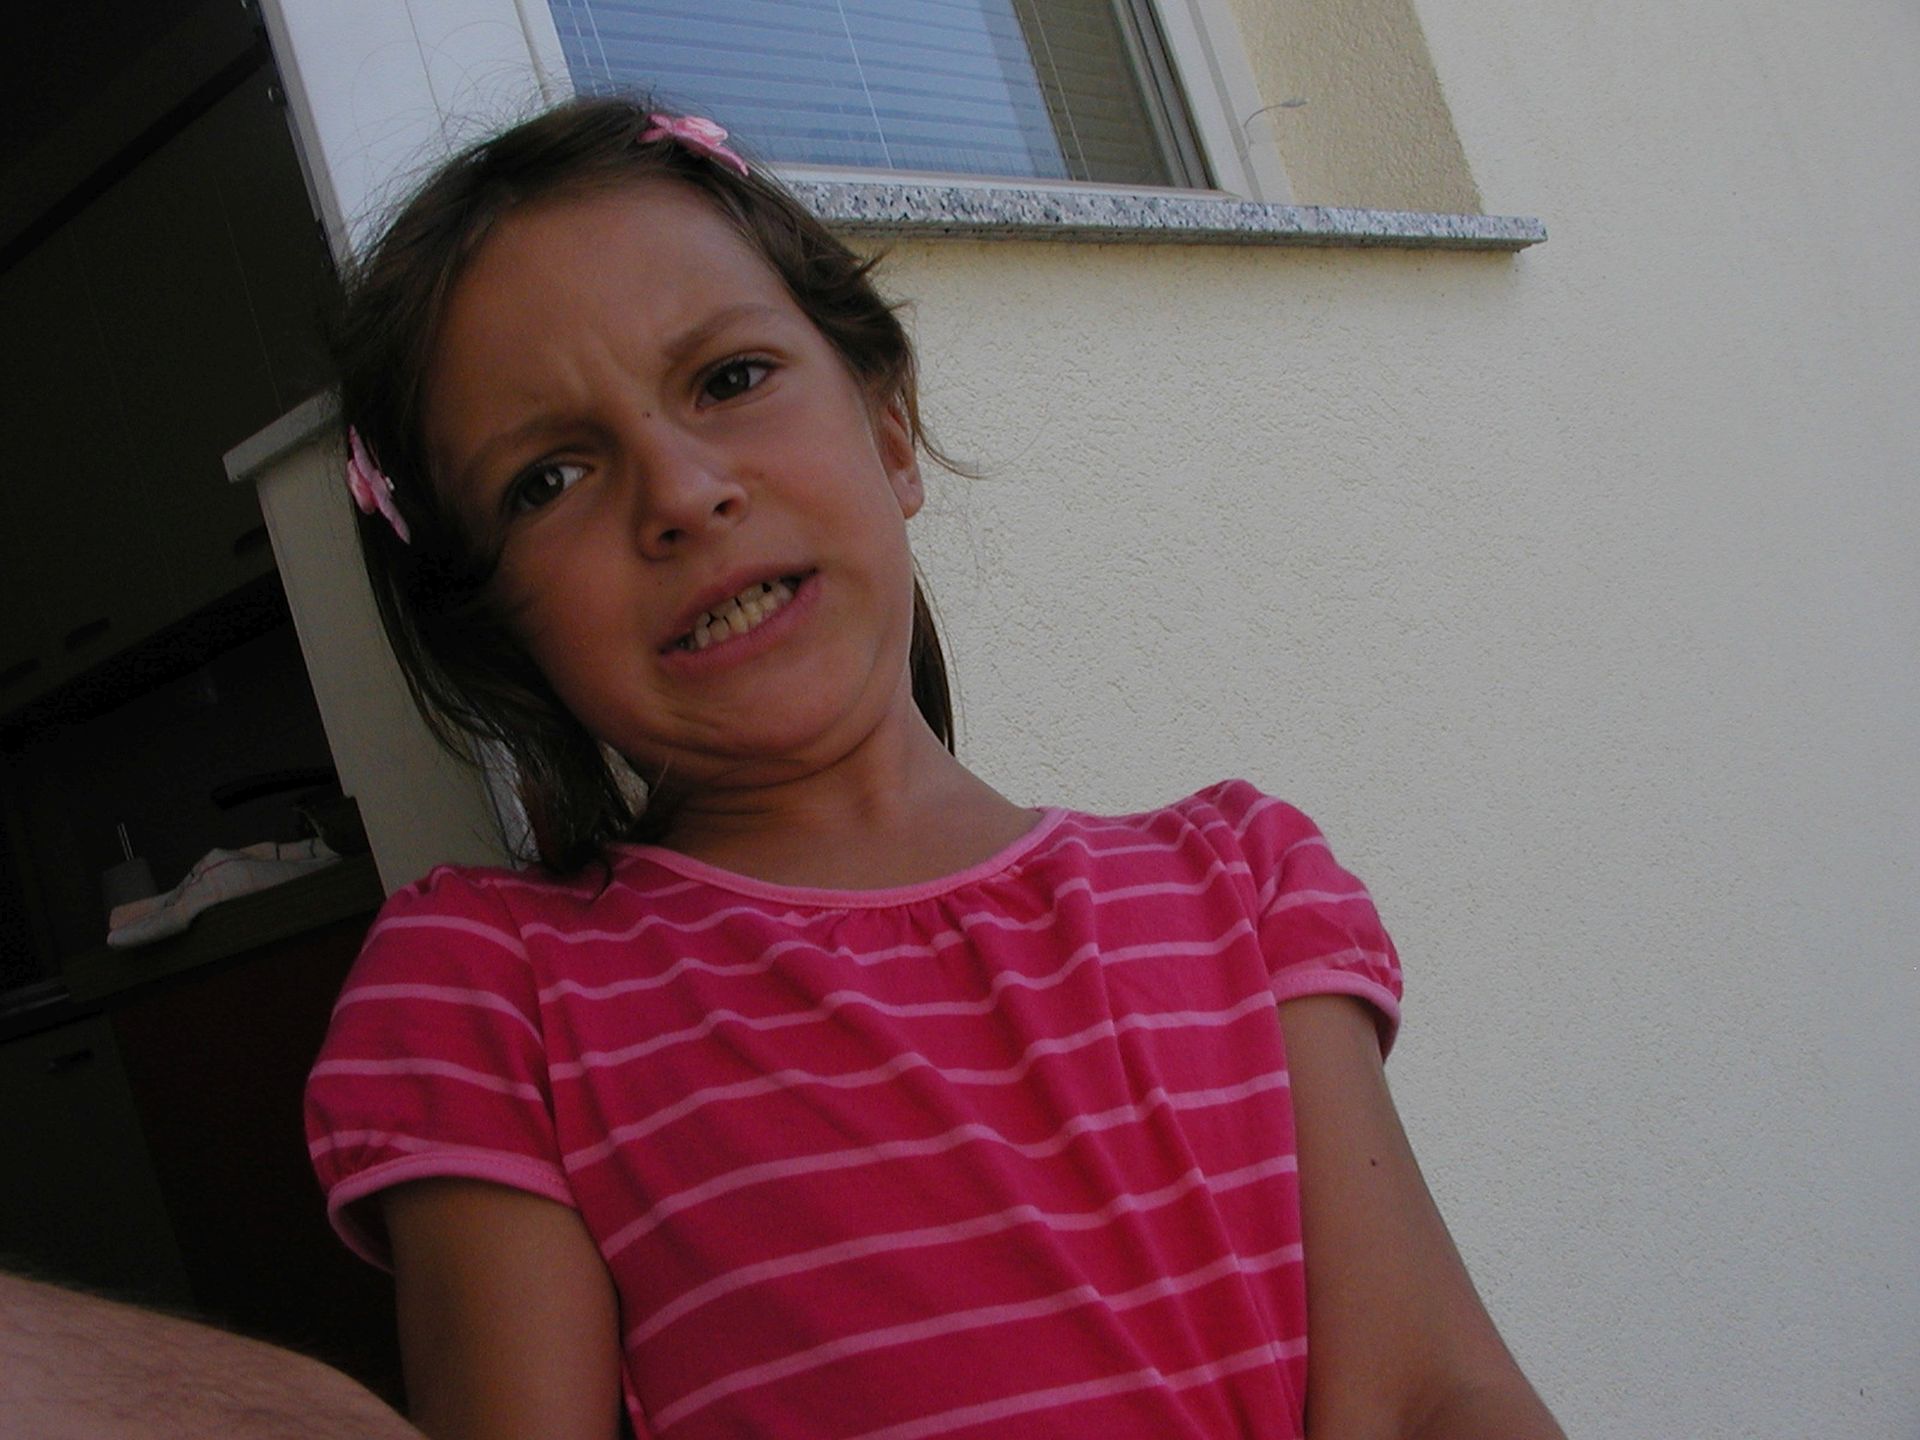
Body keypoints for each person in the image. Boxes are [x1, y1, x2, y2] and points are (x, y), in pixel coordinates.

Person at [304, 98, 1563, 1440]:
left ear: (891, 428)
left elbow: (1433, 1395)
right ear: (496, 624)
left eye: (730, 379)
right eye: (549, 478)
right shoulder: (494, 991)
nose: (679, 491)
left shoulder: (1240, 886)